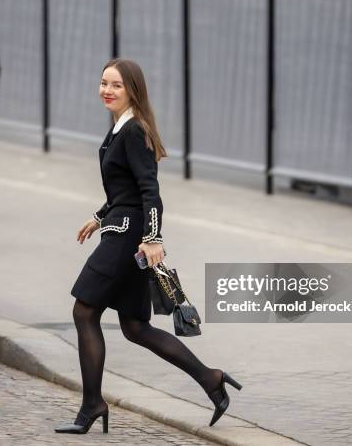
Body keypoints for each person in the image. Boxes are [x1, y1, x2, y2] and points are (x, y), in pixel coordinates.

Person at [55, 59, 242, 435]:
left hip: (127, 239)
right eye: (103, 83)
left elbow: (149, 191)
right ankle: (211, 379)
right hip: (121, 229)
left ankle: (92, 404)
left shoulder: (133, 130)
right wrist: (99, 214)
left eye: (116, 86)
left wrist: (153, 239)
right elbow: (124, 188)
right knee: (136, 327)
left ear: (132, 91)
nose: (106, 90)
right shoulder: (121, 128)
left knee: (84, 311)